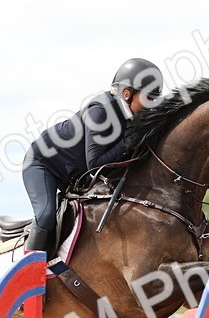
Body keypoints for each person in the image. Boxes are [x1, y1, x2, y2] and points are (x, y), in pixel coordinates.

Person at [21, 58, 164, 260]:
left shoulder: (134, 115)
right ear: (127, 93)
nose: (153, 106)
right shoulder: (101, 112)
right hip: (44, 163)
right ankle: (28, 271)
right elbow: (95, 165)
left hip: (75, 174)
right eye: (149, 98)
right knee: (46, 216)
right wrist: (129, 142)